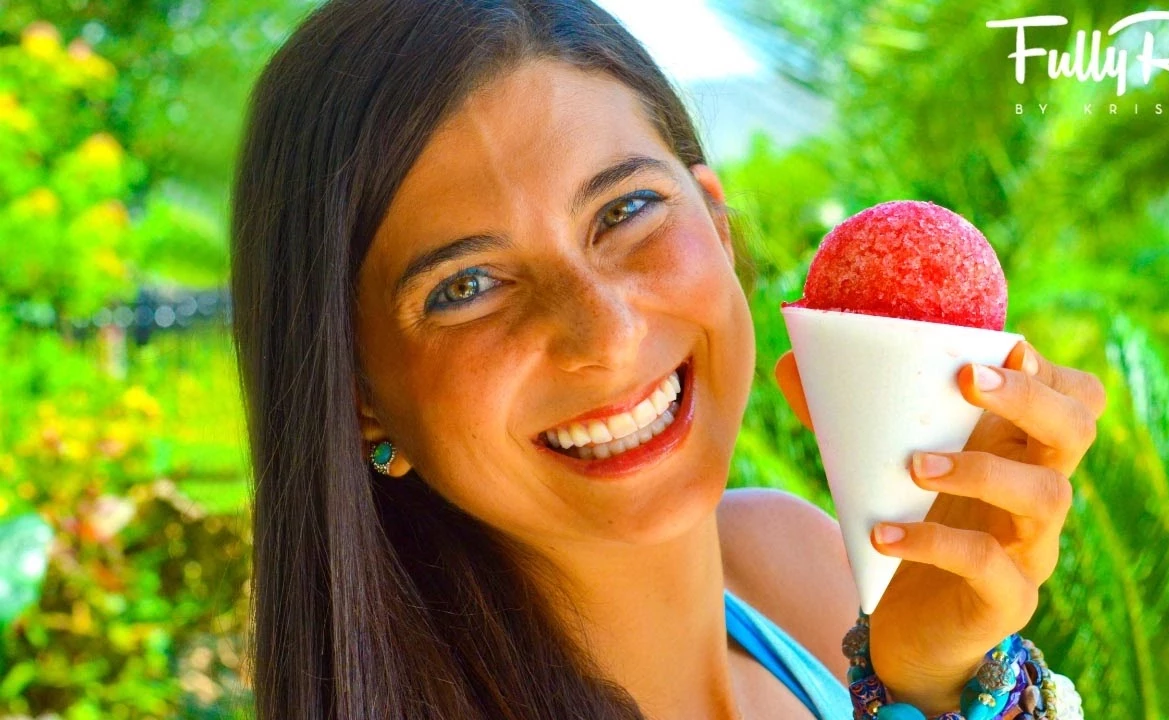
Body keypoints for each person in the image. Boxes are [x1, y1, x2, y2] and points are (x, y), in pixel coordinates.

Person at [228, 1, 1106, 718]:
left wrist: (948, 683)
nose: (604, 333)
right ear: (358, 397)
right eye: (466, 286)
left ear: (716, 225)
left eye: (625, 210)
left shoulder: (794, 566)